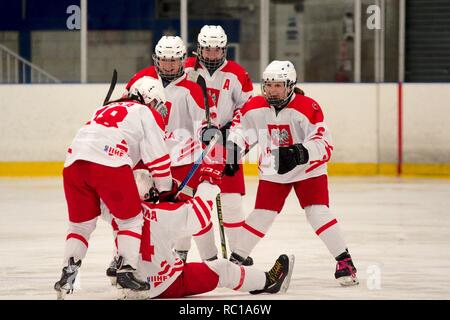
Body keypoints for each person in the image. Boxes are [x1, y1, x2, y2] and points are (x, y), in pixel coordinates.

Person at [224, 60, 359, 286]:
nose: (272, 90)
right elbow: (241, 131)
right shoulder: (254, 106)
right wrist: (233, 150)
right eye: (268, 85)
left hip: (308, 170)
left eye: (278, 85)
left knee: (317, 212)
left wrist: (299, 153)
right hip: (273, 168)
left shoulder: (308, 107)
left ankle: (345, 261)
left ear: (290, 85)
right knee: (262, 214)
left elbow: (324, 142)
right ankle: (237, 258)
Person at [54, 77, 176, 300]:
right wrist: (166, 187)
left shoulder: (103, 109)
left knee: (80, 226)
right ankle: (126, 271)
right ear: (149, 98)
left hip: (73, 165)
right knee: (131, 219)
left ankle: (68, 276)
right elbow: (158, 158)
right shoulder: (144, 112)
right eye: (157, 103)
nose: (158, 110)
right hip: (108, 163)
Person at [101, 166, 295, 300]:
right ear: (152, 193)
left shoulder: (116, 213)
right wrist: (209, 182)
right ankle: (269, 281)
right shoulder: (163, 214)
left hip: (129, 285)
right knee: (222, 268)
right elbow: (199, 215)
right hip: (165, 284)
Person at [111, 35, 219, 265]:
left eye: (173, 60)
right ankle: (128, 257)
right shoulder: (141, 79)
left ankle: (210, 259)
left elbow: (203, 124)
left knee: (190, 211)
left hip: (182, 160)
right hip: (149, 159)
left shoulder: (192, 87)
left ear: (183, 60)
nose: (168, 65)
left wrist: (207, 134)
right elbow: (126, 108)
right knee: (141, 211)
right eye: (163, 60)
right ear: (155, 59)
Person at [179, 25, 254, 265]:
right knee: (186, 202)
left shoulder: (237, 74)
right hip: (190, 146)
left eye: (217, 50)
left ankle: (239, 255)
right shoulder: (185, 68)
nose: (212, 55)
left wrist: (233, 141)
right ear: (198, 48)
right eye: (207, 50)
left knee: (232, 204)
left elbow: (248, 111)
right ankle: (180, 252)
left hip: (224, 143)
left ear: (224, 49)